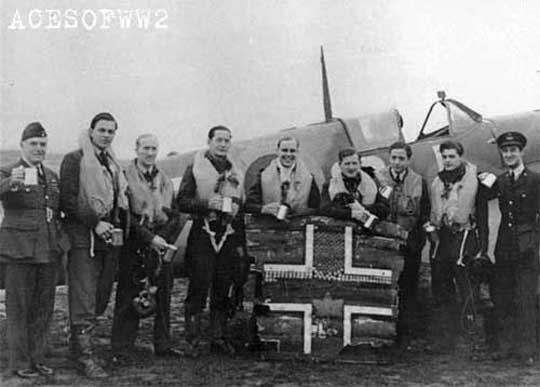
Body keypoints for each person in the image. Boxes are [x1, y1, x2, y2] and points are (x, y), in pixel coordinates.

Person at [60, 113, 170, 378]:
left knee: (100, 295)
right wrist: (94, 222)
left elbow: (120, 200)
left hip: (110, 241)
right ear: (91, 131)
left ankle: (77, 347)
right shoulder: (75, 159)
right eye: (102, 130)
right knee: (85, 296)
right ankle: (84, 357)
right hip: (84, 238)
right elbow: (68, 199)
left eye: (111, 131)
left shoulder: (111, 164)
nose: (106, 135)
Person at [0, 123, 65, 378]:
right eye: (33, 144)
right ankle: (19, 363)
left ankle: (38, 359)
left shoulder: (50, 176)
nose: (39, 149)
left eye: (42, 144)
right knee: (19, 309)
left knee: (43, 308)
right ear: (22, 146)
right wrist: (8, 183)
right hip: (19, 251)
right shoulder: (7, 171)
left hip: (47, 251)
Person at [111, 134, 182, 361]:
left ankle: (163, 344)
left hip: (160, 246)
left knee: (164, 295)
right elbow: (124, 215)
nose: (150, 153)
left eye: (154, 148)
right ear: (136, 149)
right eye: (145, 148)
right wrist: (149, 239)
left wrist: (161, 238)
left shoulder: (164, 180)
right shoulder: (124, 177)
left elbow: (174, 214)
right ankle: (122, 348)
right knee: (128, 296)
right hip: (135, 245)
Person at [176, 125, 245, 357]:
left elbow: (241, 204)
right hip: (202, 233)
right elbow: (182, 201)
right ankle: (192, 339)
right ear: (209, 141)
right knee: (199, 284)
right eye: (219, 140)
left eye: (227, 140)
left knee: (222, 285)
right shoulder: (194, 168)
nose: (223, 144)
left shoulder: (236, 170)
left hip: (227, 233)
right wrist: (207, 205)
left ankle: (218, 337)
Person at [426, 140, 489, 352]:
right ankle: (447, 336)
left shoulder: (475, 179)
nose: (448, 160)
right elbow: (433, 214)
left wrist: (483, 246)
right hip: (443, 237)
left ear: (460, 156)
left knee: (466, 286)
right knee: (442, 285)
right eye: (444, 157)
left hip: (465, 235)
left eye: (452, 156)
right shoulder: (437, 182)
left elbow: (482, 213)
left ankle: (469, 336)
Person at [487, 132, 539, 365]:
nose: (509, 154)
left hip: (527, 246)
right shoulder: (501, 180)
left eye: (513, 150)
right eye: (505, 151)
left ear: (522, 152)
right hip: (505, 246)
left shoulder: (535, 180)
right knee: (503, 298)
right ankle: (505, 347)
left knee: (525, 299)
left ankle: (526, 350)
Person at [378, 142, 430, 343]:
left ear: (408, 160)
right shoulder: (379, 179)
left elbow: (424, 211)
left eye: (401, 158)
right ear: (389, 158)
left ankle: (406, 331)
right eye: (394, 158)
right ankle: (383, 329)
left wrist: (417, 242)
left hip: (409, 243)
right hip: (385, 242)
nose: (397, 162)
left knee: (409, 285)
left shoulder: (419, 181)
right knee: (385, 285)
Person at [245, 135, 320, 217]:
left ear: (297, 152)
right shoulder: (263, 176)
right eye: (284, 150)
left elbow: (316, 208)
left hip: (298, 226)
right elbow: (248, 205)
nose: (288, 154)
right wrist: (263, 209)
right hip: (268, 225)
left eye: (292, 151)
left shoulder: (309, 178)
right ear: (277, 151)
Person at [321, 148, 389, 223]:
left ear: (360, 164)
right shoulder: (330, 185)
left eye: (354, 163)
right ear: (340, 165)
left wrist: (362, 208)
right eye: (347, 163)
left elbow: (384, 209)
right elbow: (325, 210)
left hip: (369, 228)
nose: (351, 167)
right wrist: (352, 214)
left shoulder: (374, 182)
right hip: (343, 228)